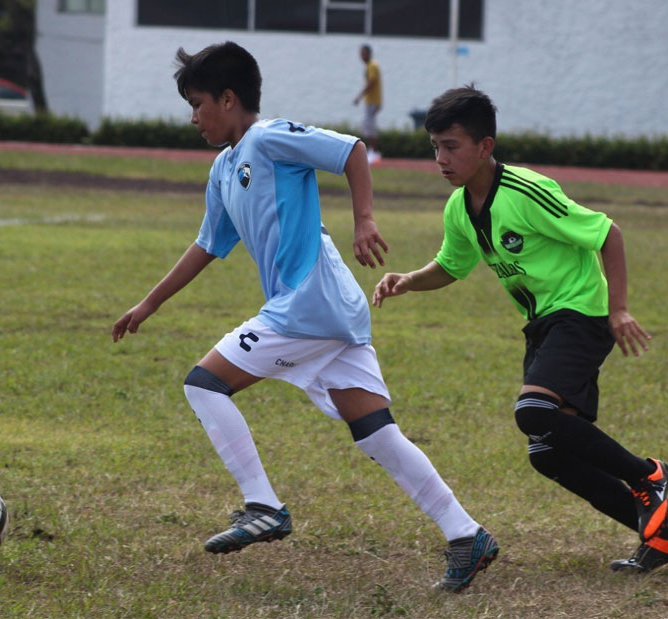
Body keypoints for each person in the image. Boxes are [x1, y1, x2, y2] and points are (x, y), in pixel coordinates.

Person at [111, 42, 497, 592]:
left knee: (204, 385)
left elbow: (351, 152)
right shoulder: (223, 169)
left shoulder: (268, 138)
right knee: (375, 432)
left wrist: (364, 219)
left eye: (198, 104)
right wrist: (148, 304)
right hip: (327, 306)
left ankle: (263, 505)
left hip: (309, 302)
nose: (193, 117)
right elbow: (206, 245)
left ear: (228, 98)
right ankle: (467, 534)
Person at [372, 85, 668, 574]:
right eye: (435, 146)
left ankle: (648, 476)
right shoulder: (459, 207)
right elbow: (451, 265)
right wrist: (408, 281)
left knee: (533, 410)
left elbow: (608, 232)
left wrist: (619, 309)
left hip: (581, 314)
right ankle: (667, 538)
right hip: (542, 326)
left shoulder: (526, 190)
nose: (440, 157)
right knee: (548, 453)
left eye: (451, 146)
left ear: (485, 146)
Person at [352, 44, 382, 164]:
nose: (361, 56)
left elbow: (372, 82)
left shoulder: (372, 66)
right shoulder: (370, 66)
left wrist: (359, 96)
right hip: (371, 101)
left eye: (363, 53)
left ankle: (375, 152)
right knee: (367, 128)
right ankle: (372, 151)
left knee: (369, 128)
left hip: (373, 101)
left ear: (368, 53)